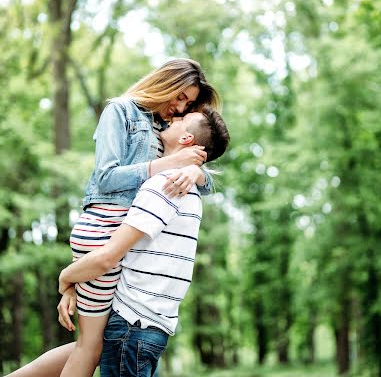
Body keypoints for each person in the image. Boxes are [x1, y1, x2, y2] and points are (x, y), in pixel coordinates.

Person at [5, 59, 219, 377]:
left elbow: (209, 184)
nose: (179, 106)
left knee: (98, 343)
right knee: (89, 349)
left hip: (123, 240)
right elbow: (105, 177)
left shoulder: (167, 128)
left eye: (186, 103)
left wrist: (192, 169)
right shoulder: (120, 111)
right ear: (166, 83)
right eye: (179, 96)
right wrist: (170, 164)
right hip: (106, 226)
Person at [57, 106, 230, 377]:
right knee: (84, 347)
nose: (174, 117)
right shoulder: (190, 189)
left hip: (132, 325)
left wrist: (65, 279)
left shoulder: (165, 185)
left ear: (186, 139)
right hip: (149, 327)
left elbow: (108, 257)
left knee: (86, 347)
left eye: (182, 119)